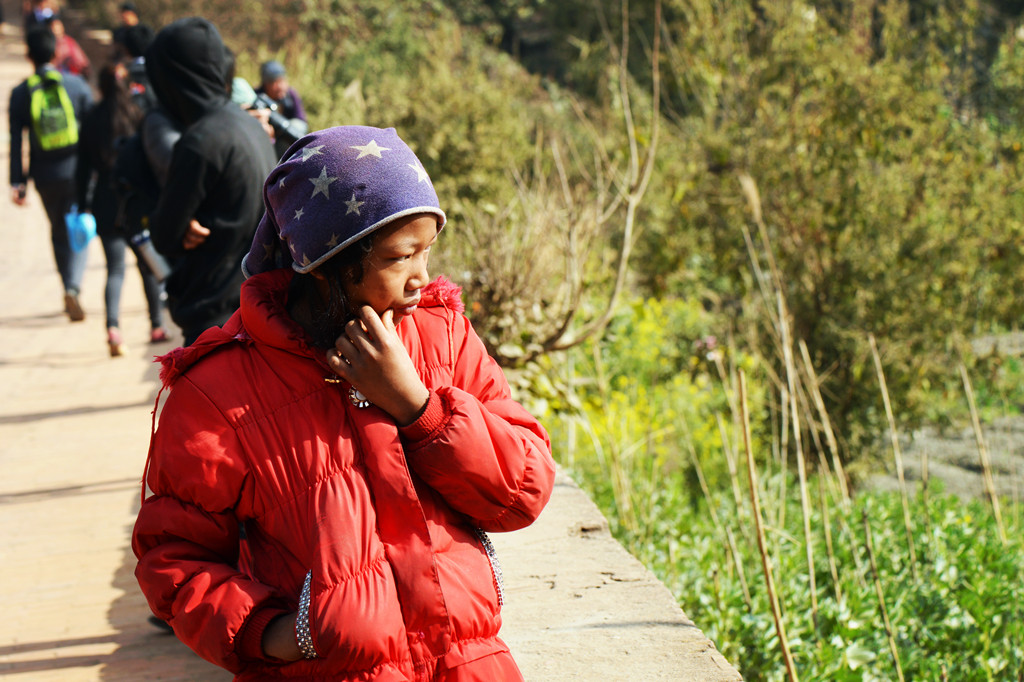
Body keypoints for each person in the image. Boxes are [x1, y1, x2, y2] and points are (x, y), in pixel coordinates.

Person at [132, 125, 556, 680]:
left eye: (427, 251)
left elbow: (524, 490)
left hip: (469, 665)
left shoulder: (442, 334)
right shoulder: (220, 391)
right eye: (401, 257)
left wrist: (420, 409)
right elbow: (174, 556)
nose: (421, 279)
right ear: (326, 260)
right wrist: (277, 636)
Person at [143, 17, 276, 345]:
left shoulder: (200, 140)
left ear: (170, 79)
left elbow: (164, 236)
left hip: (215, 318)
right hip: (257, 305)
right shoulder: (249, 126)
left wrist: (178, 223)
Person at [75, 64, 168, 356]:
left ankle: (113, 328)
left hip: (104, 202)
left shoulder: (91, 119)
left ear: (100, 85)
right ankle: (156, 326)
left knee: (114, 269)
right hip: (135, 202)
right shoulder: (137, 115)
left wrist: (82, 205)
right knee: (146, 266)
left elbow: (81, 170)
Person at [9, 24, 93, 321]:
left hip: (45, 176)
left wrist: (18, 182)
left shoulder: (21, 92)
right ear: (57, 53)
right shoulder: (76, 86)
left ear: (29, 55)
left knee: (59, 231)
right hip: (77, 172)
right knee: (80, 224)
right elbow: (94, 128)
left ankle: (67, 285)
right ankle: (74, 285)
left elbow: (17, 140)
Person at [253, 59, 308, 157]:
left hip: (284, 139)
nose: (280, 86)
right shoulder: (256, 96)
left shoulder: (291, 95)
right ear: (265, 84)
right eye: (274, 82)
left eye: (282, 81)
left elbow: (301, 121)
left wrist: (285, 128)